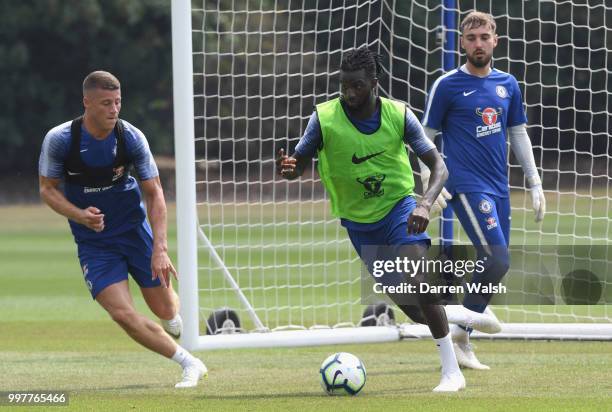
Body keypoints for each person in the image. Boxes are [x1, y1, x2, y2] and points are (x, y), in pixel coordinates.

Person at [277, 47, 470, 392]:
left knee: (418, 276)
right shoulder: (323, 118)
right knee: (414, 311)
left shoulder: (400, 115)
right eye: (344, 86)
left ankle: (452, 372)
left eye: (357, 86)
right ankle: (466, 316)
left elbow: (439, 165)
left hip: (399, 210)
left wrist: (424, 204)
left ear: (374, 84)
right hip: (359, 224)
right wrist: (291, 170)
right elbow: (300, 160)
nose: (349, 93)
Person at [38, 70, 207, 388]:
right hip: (94, 242)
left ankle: (170, 316)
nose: (114, 109)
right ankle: (189, 362)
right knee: (123, 315)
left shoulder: (130, 137)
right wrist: (79, 215)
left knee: (166, 308)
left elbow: (155, 192)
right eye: (105, 103)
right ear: (87, 103)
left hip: (133, 230)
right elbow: (47, 189)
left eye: (117, 102)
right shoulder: (60, 139)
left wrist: (160, 248)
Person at [421, 11, 546, 370]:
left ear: (495, 40)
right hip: (464, 186)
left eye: (484, 37)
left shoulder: (508, 83)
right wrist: (428, 187)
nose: (478, 43)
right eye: (471, 37)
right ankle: (464, 325)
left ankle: (461, 334)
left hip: (498, 187)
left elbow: (518, 133)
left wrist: (534, 182)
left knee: (497, 264)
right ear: (462, 42)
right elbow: (423, 138)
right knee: (497, 258)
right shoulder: (446, 85)